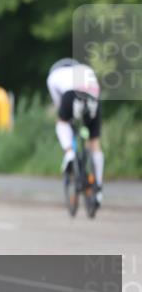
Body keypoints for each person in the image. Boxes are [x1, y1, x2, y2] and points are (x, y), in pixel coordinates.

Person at [46, 58, 104, 206]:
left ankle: (69, 152)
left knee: (62, 123)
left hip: (71, 94)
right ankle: (98, 186)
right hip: (93, 95)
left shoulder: (53, 77)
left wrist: (68, 119)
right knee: (94, 142)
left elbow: (60, 105)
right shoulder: (82, 69)